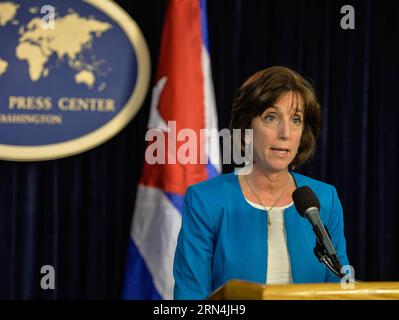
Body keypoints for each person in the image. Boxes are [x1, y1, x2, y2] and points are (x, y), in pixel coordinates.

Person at [173, 66, 349, 300]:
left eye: (296, 120)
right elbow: (190, 296)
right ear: (247, 129)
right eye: (271, 117)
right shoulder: (207, 200)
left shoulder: (324, 199)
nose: (285, 133)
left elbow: (339, 290)